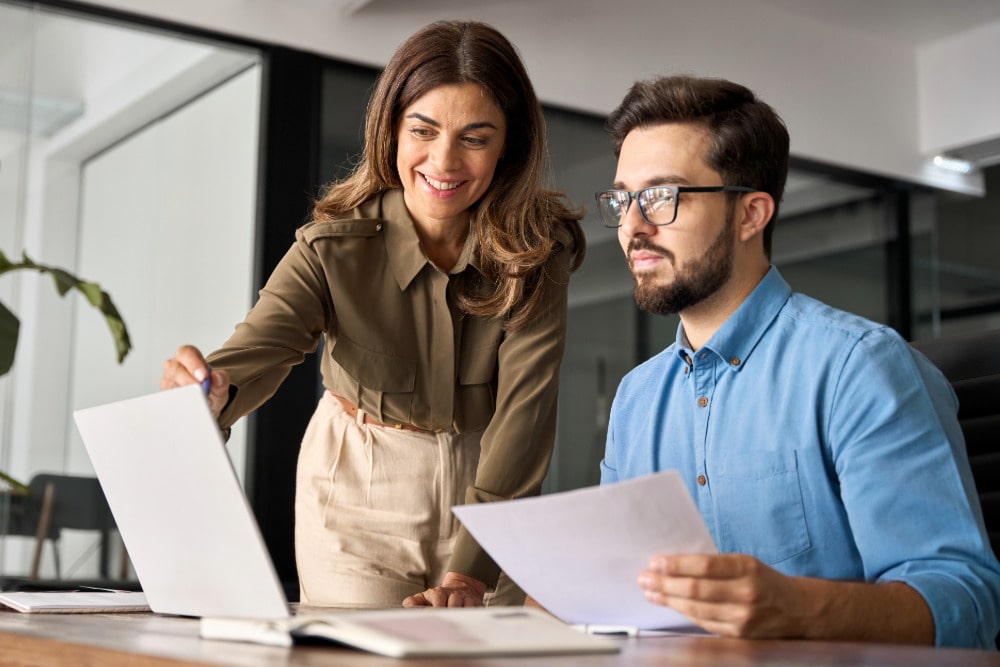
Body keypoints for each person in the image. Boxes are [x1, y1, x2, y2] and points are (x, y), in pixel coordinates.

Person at [160, 20, 584, 609]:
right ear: (391, 131)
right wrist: (206, 391)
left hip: (493, 485)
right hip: (359, 486)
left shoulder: (539, 251)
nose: (445, 160)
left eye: (475, 137)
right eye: (424, 130)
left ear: (508, 144)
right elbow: (257, 351)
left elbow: (526, 413)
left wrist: (470, 573)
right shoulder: (332, 248)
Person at [595, 74, 1000, 648]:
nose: (633, 226)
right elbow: (613, 587)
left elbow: (966, 600)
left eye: (663, 197)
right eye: (623, 199)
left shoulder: (860, 368)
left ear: (751, 215)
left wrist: (799, 608)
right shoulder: (636, 400)